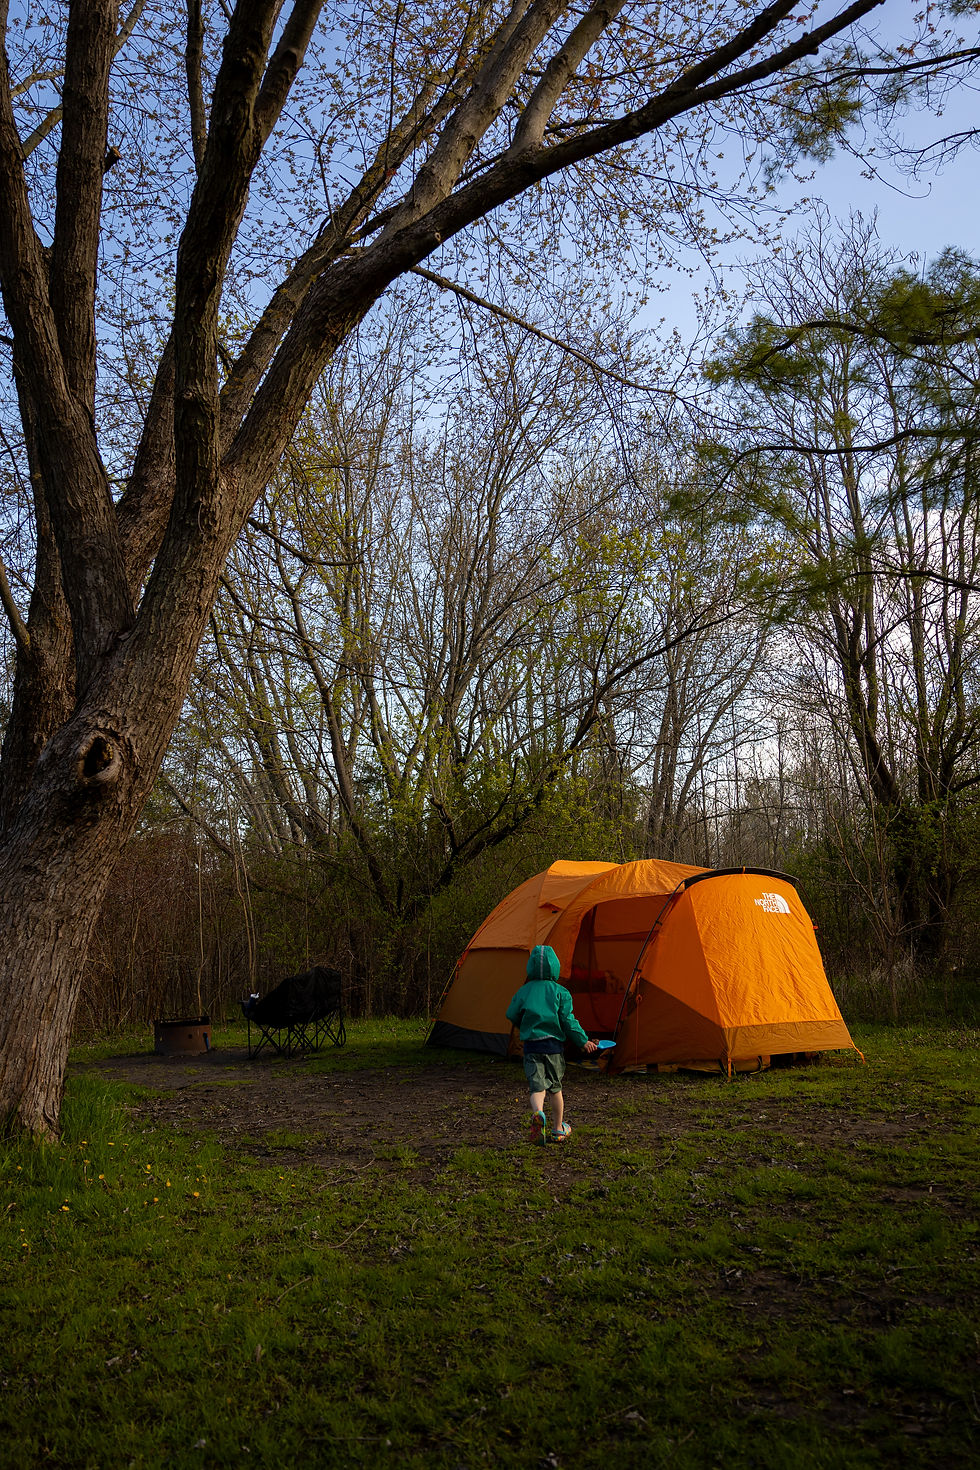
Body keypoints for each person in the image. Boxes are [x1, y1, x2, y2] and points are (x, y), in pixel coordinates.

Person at [506, 943, 598, 1144]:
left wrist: (524, 1024)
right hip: (553, 1048)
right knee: (555, 1087)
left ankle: (538, 1113)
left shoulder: (525, 991)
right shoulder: (560, 992)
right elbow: (568, 1021)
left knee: (537, 1086)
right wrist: (583, 1042)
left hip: (531, 1047)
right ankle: (558, 1128)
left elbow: (511, 1013)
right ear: (555, 967)